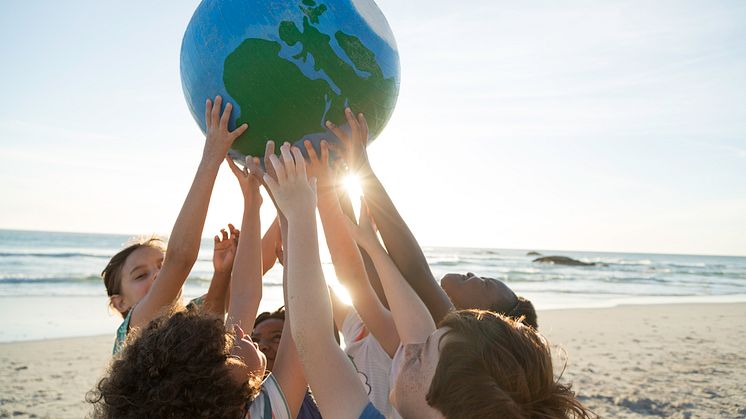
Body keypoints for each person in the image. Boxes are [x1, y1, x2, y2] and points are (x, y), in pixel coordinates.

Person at [88, 101, 307, 418]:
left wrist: (256, 200)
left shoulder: (191, 340)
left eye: (158, 267)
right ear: (120, 304)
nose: (157, 276)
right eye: (140, 275)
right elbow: (180, 262)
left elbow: (248, 287)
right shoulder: (135, 335)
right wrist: (212, 157)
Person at [344, 198, 593, 418]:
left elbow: (407, 274)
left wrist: (350, 177)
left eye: (485, 285)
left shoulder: (438, 345)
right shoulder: (437, 349)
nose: (410, 351)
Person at [327, 108, 538, 329]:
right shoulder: (406, 320)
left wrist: (360, 166)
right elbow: (364, 269)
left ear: (483, 316)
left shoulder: (447, 331)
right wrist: (338, 175)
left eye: (485, 283)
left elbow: (415, 270)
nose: (472, 273)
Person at [262, 143, 385, 418]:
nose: (415, 347)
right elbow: (349, 279)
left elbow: (311, 333)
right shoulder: (364, 338)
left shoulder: (395, 348)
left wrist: (295, 213)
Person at [253, 306, 323, 419]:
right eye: (255, 340)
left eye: (277, 337)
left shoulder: (324, 402)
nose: (262, 346)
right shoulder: (238, 403)